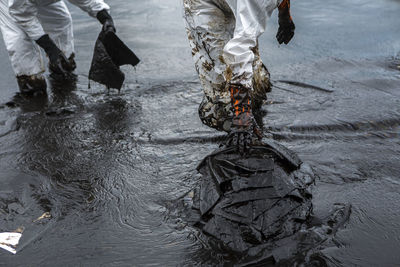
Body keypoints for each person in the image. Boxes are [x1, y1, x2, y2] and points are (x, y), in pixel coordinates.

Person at [183, 0, 295, 152]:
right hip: (205, 4)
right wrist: (241, 117)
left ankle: (253, 122)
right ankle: (241, 138)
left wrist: (285, 15)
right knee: (222, 103)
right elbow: (238, 51)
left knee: (257, 84)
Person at [0, 0, 115, 96]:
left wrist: (105, 17)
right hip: (14, 6)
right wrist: (50, 48)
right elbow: (22, 15)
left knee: (61, 21)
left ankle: (63, 68)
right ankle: (32, 89)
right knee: (20, 41)